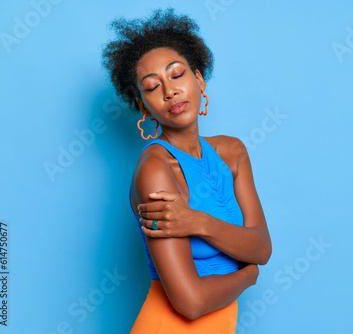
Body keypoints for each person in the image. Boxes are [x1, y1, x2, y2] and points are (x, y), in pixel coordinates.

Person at [101, 8, 272, 333]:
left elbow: (261, 247)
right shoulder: (155, 169)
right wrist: (247, 276)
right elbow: (190, 302)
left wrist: (198, 222)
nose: (169, 91)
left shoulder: (232, 152)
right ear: (142, 105)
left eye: (177, 74)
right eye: (152, 87)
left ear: (198, 78)